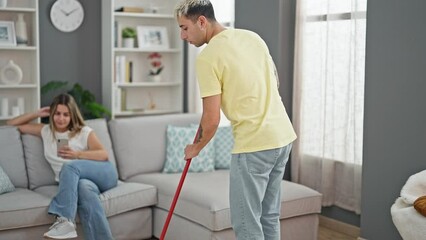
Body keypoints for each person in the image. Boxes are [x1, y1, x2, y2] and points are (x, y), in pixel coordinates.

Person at [174, 1, 297, 240]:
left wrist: (195, 148)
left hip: (254, 145)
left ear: (201, 21)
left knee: (246, 224)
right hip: (282, 137)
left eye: (184, 28)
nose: (182, 36)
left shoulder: (207, 58)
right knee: (269, 216)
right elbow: (275, 81)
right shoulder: (252, 38)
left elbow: (211, 118)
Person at [7, 93, 117, 240]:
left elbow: (103, 154)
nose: (61, 118)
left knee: (69, 167)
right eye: (57, 113)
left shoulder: (83, 132)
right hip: (82, 182)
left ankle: (65, 220)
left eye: (66, 114)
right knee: (83, 189)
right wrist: (37, 113)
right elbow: (11, 124)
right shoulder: (46, 131)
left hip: (103, 173)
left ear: (72, 115)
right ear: (52, 114)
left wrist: (77, 154)